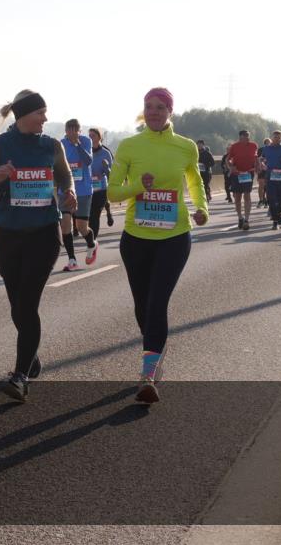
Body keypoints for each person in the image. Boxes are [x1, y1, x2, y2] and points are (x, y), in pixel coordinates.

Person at [0, 90, 75, 401]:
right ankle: (31, 354)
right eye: (41, 112)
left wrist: (69, 194)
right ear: (24, 116)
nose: (45, 118)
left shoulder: (51, 146)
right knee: (17, 306)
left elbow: (65, 179)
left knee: (27, 303)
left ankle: (20, 375)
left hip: (44, 234)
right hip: (9, 236)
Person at [106, 87, 208, 404]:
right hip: (136, 238)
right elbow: (112, 192)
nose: (153, 112)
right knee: (142, 305)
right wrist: (139, 186)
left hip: (175, 236)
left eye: (160, 107)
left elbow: (195, 180)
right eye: (149, 106)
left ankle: (148, 373)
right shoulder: (130, 145)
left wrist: (202, 207)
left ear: (170, 112)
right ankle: (155, 347)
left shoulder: (186, 147)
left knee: (156, 303)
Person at [59, 119, 97, 271]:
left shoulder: (86, 141)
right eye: (70, 130)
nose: (73, 133)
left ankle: (91, 243)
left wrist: (77, 144)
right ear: (66, 131)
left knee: (81, 227)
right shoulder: (61, 144)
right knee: (65, 223)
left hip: (84, 190)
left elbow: (88, 161)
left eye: (77, 130)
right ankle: (72, 260)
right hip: (66, 190)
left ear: (80, 131)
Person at [259, 131, 281, 230]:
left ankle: (278, 215)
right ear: (272, 137)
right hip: (270, 176)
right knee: (271, 199)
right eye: (275, 137)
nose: (277, 139)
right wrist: (262, 165)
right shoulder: (267, 149)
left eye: (279, 138)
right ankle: (275, 221)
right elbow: (261, 159)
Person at [225, 130, 258, 230]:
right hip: (237, 174)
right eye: (245, 137)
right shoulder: (234, 147)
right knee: (238, 197)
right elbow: (228, 159)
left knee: (247, 195)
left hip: (248, 173)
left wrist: (257, 166)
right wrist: (231, 167)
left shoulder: (253, 145)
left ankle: (247, 219)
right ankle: (240, 217)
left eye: (248, 136)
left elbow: (256, 158)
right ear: (240, 137)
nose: (247, 138)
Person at [87, 128, 114, 239]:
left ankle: (93, 241)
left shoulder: (106, 153)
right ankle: (91, 240)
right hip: (87, 189)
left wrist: (106, 167)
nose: (91, 138)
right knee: (88, 217)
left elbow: (111, 174)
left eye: (93, 135)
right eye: (89, 136)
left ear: (99, 137)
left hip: (101, 189)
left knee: (95, 216)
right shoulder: (86, 151)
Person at [255, 138, 270, 209]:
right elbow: (257, 159)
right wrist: (258, 168)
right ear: (264, 143)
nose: (268, 144)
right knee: (261, 185)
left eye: (269, 143)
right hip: (262, 170)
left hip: (270, 169)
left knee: (267, 186)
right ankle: (261, 200)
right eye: (266, 143)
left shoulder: (273, 150)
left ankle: (267, 200)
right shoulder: (261, 150)